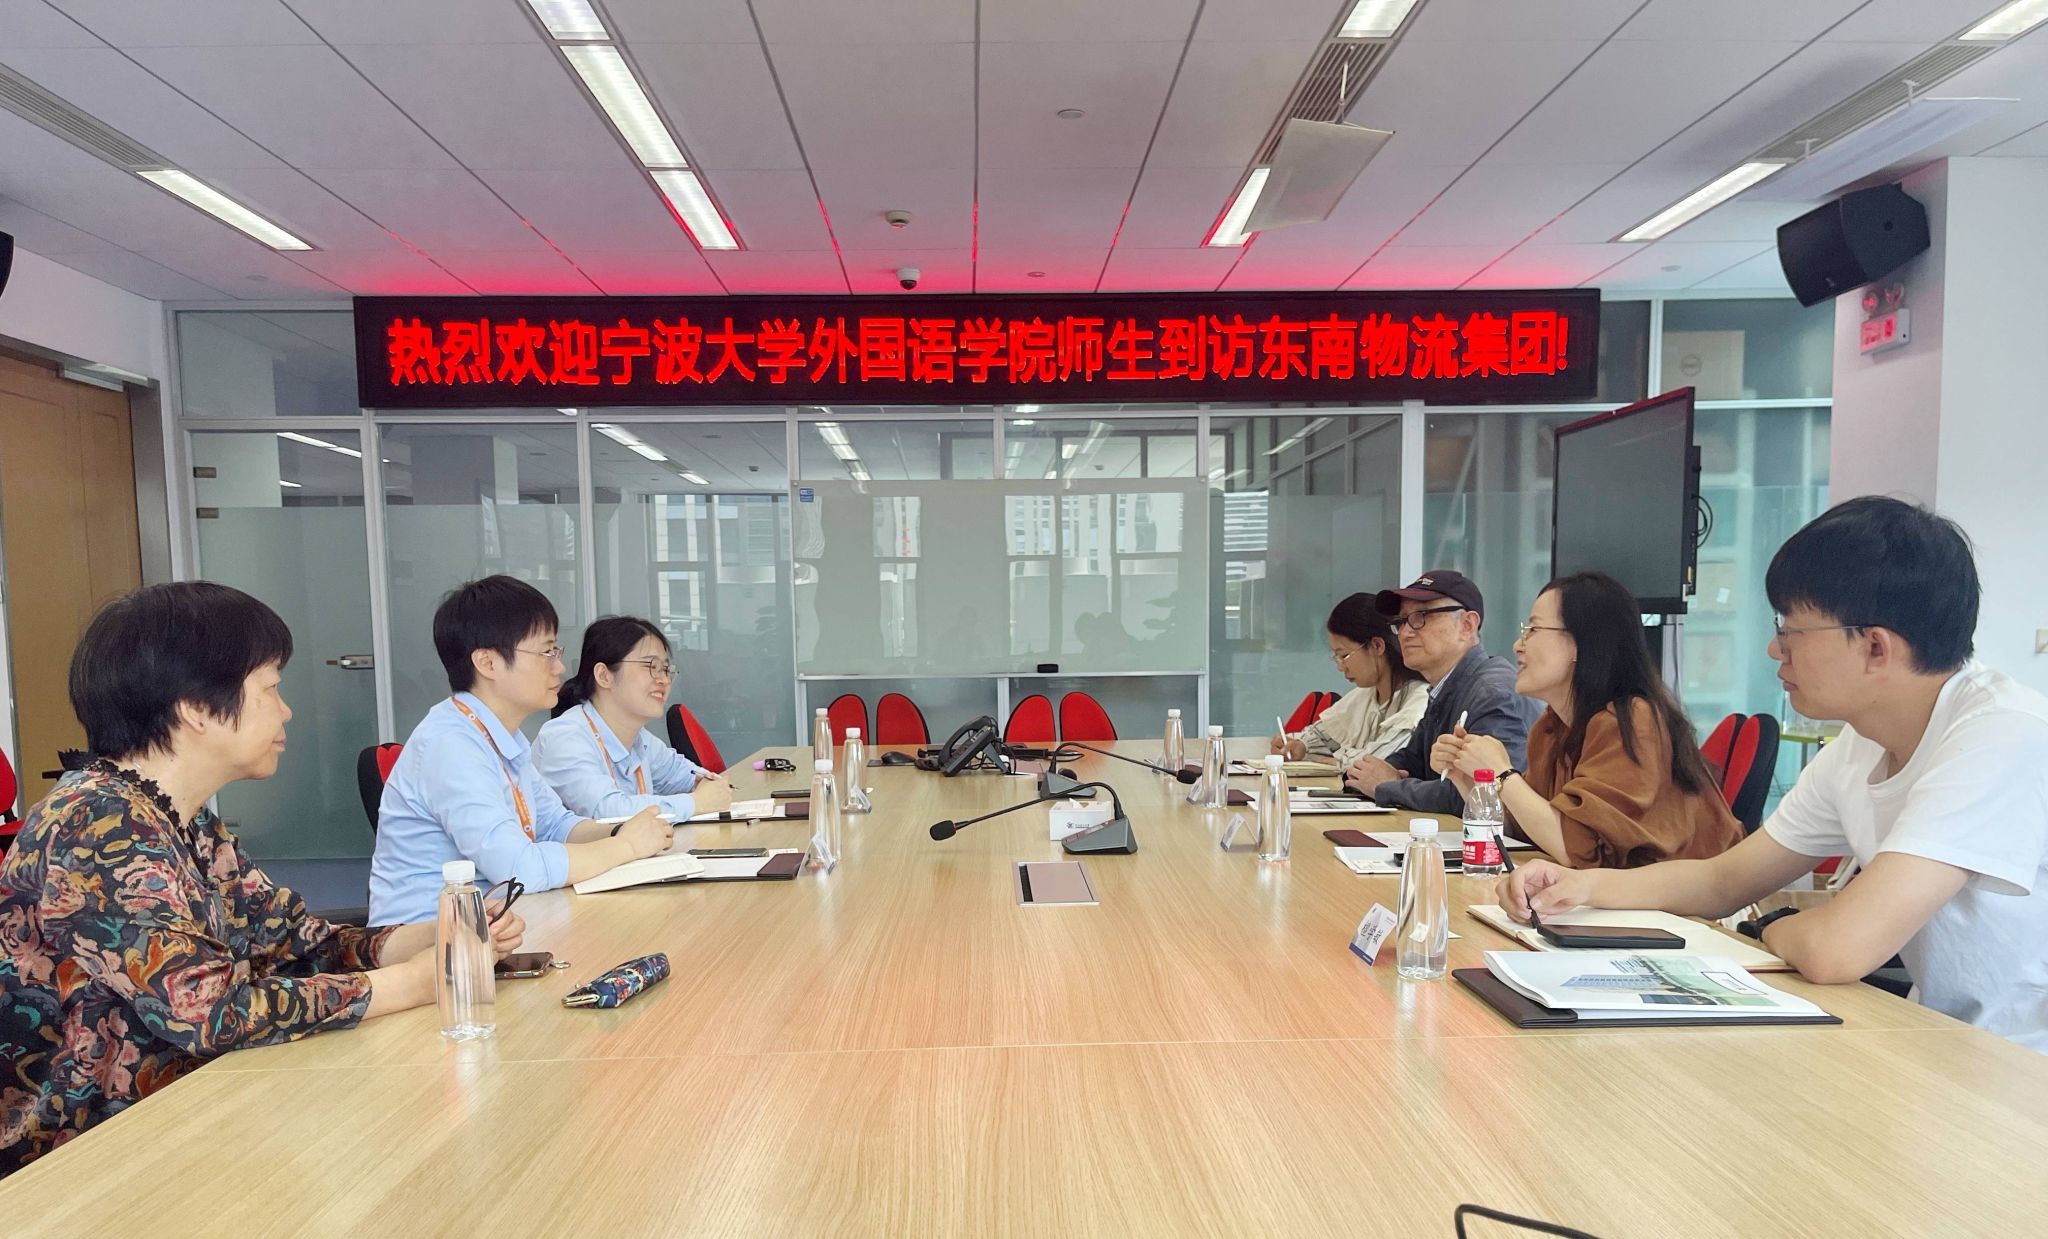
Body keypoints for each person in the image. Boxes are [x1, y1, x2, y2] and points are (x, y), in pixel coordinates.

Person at [0, 583, 526, 1176]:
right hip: (80, 1162)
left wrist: (438, 936)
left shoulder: (182, 817)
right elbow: (210, 1015)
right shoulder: (100, 824)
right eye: (270, 688)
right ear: (195, 708)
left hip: (186, 1118)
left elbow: (299, 945)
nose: (286, 710)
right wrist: (416, 982)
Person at [1499, 498, 2048, 1052]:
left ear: (1875, 647)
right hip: (1940, 1038)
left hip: (2021, 1061)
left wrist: (1773, 930)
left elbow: (1836, 949)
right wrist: (1580, 885)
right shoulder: (1861, 744)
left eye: (1791, 630)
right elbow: (1723, 881)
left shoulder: (2001, 733)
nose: (1773, 648)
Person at [369, 577, 672, 925]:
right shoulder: (449, 744)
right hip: (436, 941)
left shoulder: (502, 737)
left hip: (504, 921)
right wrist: (626, 847)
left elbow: (556, 825)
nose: (559, 666)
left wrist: (622, 831)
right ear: (488, 663)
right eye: (546, 652)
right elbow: (517, 869)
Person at [1433, 572, 1742, 868]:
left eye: (1533, 630)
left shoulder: (1633, 720)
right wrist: (1469, 781)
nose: (1518, 644)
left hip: (1685, 901)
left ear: (1580, 644)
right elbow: (1531, 831)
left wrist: (1502, 773)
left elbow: (1577, 849)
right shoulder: (1551, 728)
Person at [1343, 570, 1538, 813]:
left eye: (1420, 617)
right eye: (1401, 621)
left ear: (1467, 625)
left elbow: (1483, 796)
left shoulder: (1493, 693)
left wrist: (1388, 786)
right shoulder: (1446, 684)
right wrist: (1368, 775)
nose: (1405, 632)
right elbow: (1413, 761)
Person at [532, 616, 733, 821]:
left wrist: (708, 786)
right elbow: (605, 811)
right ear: (604, 676)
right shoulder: (565, 738)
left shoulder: (640, 738)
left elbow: (689, 776)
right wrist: (696, 803)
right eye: (651, 667)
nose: (664, 680)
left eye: (665, 669)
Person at [1272, 594, 1428, 768]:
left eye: (1344, 655)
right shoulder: (1364, 695)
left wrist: (1341, 760)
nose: (1341, 667)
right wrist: (1298, 745)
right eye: (1336, 657)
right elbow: (1322, 735)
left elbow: (1379, 761)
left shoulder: (1421, 700)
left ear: (1377, 646)